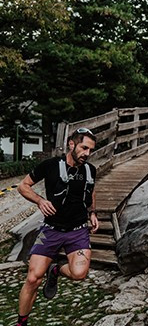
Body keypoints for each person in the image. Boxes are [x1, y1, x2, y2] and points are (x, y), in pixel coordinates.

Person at [15, 128, 99, 326]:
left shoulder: (90, 170)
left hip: (78, 230)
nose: (87, 154)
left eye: (90, 150)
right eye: (84, 148)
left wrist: (93, 213)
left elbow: (92, 191)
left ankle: (55, 270)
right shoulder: (50, 166)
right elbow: (23, 186)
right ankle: (21, 323)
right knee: (33, 278)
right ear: (72, 144)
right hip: (50, 230)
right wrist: (40, 201)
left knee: (79, 274)